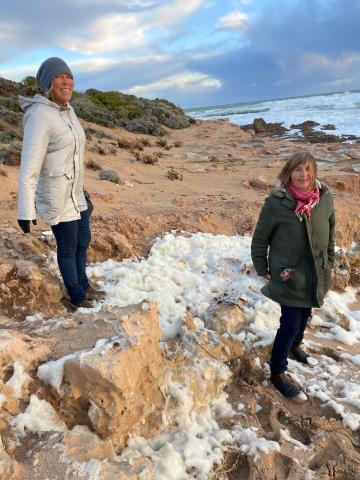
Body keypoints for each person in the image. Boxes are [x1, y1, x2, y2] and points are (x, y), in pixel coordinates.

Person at [17, 57, 103, 309]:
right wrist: (25, 209)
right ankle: (76, 296)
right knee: (68, 245)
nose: (66, 81)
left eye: (69, 76)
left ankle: (84, 286)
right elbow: (29, 167)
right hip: (56, 193)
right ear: (48, 83)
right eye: (59, 76)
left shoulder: (69, 110)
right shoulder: (39, 114)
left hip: (76, 191)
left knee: (83, 240)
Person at [251, 151, 335, 398]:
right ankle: (277, 371)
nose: (304, 175)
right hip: (288, 274)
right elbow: (260, 239)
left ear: (315, 172)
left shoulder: (325, 198)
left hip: (316, 272)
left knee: (306, 313)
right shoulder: (277, 203)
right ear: (289, 172)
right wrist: (262, 268)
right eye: (298, 169)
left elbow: (331, 231)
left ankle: (295, 346)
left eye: (308, 169)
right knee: (289, 323)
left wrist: (329, 261)